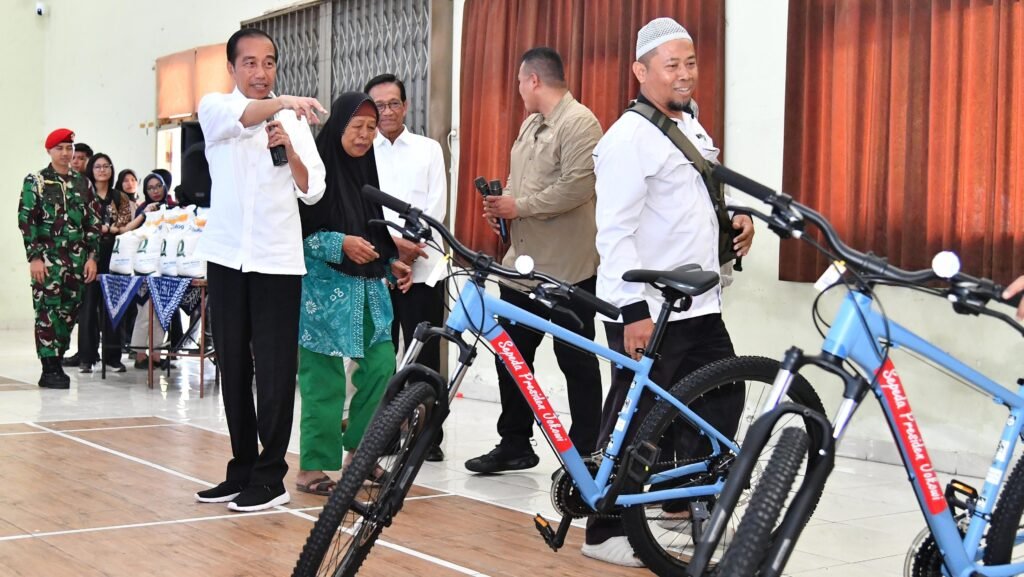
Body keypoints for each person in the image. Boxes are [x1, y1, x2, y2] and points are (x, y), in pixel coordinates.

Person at [582, 18, 756, 566]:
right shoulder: (627, 139)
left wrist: (736, 219)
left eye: (691, 63)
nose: (685, 74)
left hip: (699, 301)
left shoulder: (690, 127)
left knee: (721, 398)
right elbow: (613, 233)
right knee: (634, 418)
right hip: (651, 308)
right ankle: (603, 529)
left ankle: (680, 501)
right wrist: (632, 312)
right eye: (671, 65)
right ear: (640, 71)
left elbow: (692, 201)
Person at [192, 28, 327, 512]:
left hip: (276, 261)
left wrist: (290, 148)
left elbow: (313, 190)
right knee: (232, 365)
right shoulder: (215, 106)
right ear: (232, 68)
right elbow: (242, 117)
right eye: (250, 62)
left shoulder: (292, 122)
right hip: (228, 256)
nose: (261, 72)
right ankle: (242, 470)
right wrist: (281, 103)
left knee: (274, 372)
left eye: (269, 62)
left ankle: (271, 478)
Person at [467, 47, 604, 474]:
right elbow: (516, 181)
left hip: (567, 269)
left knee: (576, 360)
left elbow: (576, 188)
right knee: (510, 354)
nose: (519, 91)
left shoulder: (581, 123)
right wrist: (502, 206)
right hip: (521, 267)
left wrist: (520, 206)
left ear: (533, 80)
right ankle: (514, 443)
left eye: (519, 82)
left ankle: (587, 451)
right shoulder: (530, 124)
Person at [294, 92, 412, 496]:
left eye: (371, 128)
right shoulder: (313, 174)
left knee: (381, 367)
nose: (364, 136)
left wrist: (389, 262)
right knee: (322, 379)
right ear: (337, 128)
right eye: (356, 127)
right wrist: (338, 243)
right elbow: (295, 236)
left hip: (368, 292)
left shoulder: (366, 175)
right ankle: (312, 467)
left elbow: (371, 229)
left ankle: (360, 455)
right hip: (322, 293)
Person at [365, 73, 448, 462]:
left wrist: (410, 252)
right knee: (381, 355)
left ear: (406, 106)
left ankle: (427, 438)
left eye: (393, 103)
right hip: (378, 267)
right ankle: (384, 436)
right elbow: (364, 211)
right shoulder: (362, 152)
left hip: (424, 269)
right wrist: (392, 253)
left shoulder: (428, 149)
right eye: (379, 105)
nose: (387, 112)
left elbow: (436, 207)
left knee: (424, 357)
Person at [19, 128, 100, 389]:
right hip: (48, 262)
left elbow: (93, 223)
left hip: (76, 264)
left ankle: (58, 359)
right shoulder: (37, 181)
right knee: (47, 312)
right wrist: (34, 258)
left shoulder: (83, 184)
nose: (66, 153)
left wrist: (92, 257)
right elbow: (26, 220)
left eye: (69, 148)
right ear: (49, 151)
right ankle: (49, 367)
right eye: (60, 148)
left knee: (69, 313)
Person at [76, 153, 131, 373]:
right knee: (88, 307)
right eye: (97, 166)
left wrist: (109, 228)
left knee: (112, 306)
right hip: (89, 254)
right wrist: (104, 229)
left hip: (115, 254)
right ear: (91, 170)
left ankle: (113, 358)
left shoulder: (119, 196)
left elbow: (125, 223)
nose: (102, 170)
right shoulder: (83, 195)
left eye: (106, 166)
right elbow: (80, 223)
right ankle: (86, 358)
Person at [127, 172, 178, 370]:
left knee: (161, 312)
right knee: (144, 312)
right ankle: (140, 354)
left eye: (158, 186)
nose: (155, 191)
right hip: (144, 268)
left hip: (165, 268)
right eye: (150, 188)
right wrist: (146, 214)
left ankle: (156, 355)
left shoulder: (174, 209)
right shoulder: (143, 209)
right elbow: (133, 234)